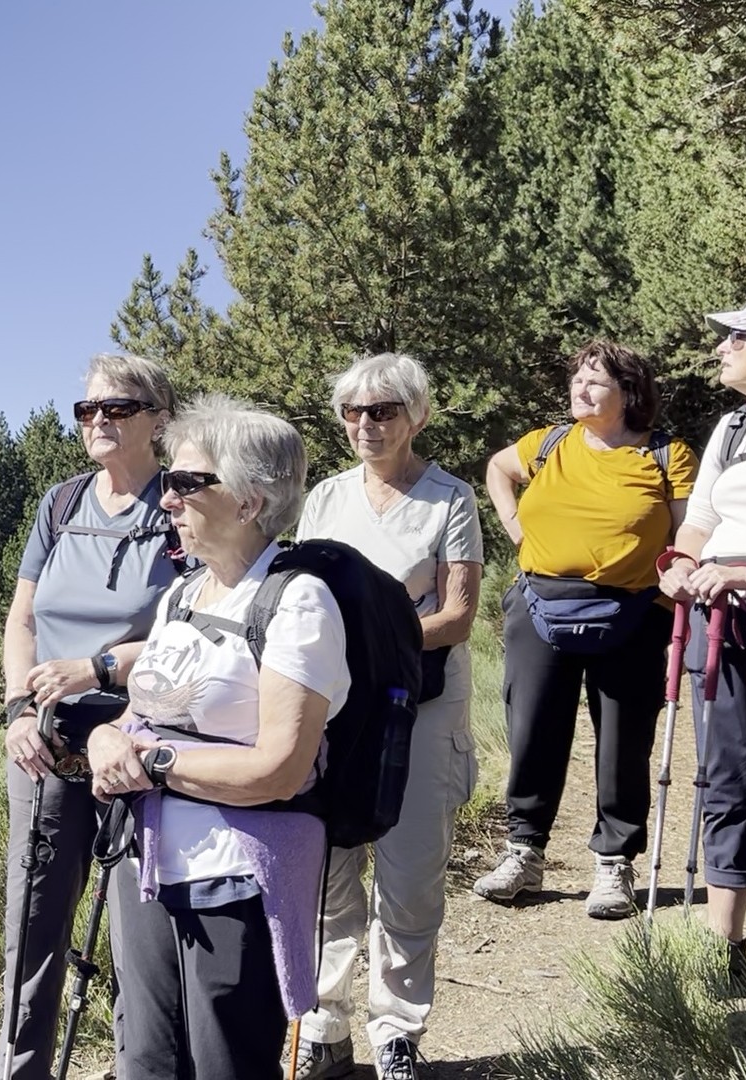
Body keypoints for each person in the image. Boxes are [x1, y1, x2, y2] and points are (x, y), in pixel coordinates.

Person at [86, 392, 341, 1080]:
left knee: (225, 1063)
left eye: (185, 482)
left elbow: (280, 771)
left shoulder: (298, 602)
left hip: (237, 876)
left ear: (250, 502)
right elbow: (146, 713)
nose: (165, 498)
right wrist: (106, 741)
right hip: (147, 865)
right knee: (144, 1059)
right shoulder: (182, 594)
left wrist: (154, 764)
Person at [291, 353, 482, 1079]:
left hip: (419, 706)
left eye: (382, 411)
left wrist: (366, 641)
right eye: (352, 411)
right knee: (330, 866)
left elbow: (457, 616)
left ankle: (397, 1028)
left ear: (416, 415)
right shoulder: (325, 499)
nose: (365, 424)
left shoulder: (447, 498)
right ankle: (325, 1024)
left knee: (408, 872)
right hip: (336, 709)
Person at [0, 354, 181, 1080]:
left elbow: (198, 634)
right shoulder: (61, 503)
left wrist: (102, 670)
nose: (97, 419)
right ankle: (19, 1070)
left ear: (157, 419)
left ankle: (140, 1065)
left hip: (143, 743)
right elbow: (21, 619)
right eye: (87, 409)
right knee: (32, 925)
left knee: (142, 933)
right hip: (44, 744)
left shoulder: (179, 504)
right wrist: (16, 711)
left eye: (117, 407)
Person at [474, 340, 697, 919]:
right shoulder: (548, 444)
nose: (580, 387)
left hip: (633, 612)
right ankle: (524, 851)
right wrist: (517, 529)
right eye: (577, 378)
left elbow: (686, 539)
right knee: (532, 730)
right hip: (540, 606)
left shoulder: (665, 457)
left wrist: (680, 581)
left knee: (624, 740)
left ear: (630, 393)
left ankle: (614, 863)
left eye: (595, 381)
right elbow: (498, 468)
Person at [657, 283, 746, 990]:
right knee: (722, 776)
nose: (721, 346)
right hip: (716, 613)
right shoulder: (732, 428)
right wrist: (682, 568)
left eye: (739, 337)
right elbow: (697, 521)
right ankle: (721, 952)